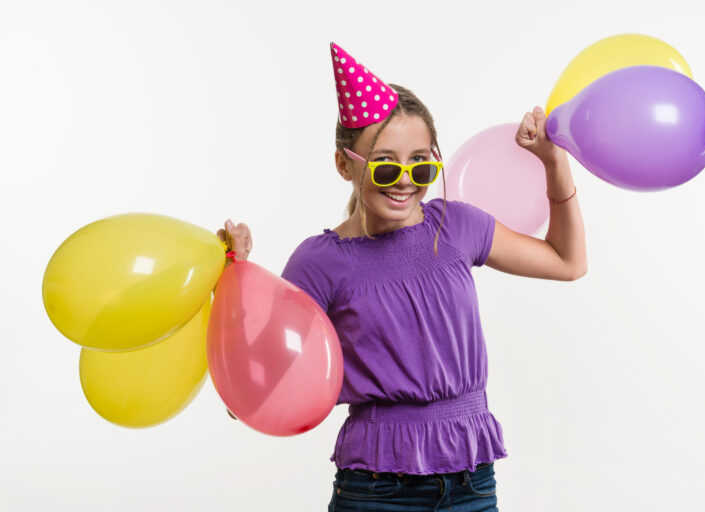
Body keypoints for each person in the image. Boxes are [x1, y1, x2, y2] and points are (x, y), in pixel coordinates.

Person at [218, 42, 586, 512]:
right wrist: (239, 281)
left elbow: (567, 261)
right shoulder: (320, 262)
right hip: (377, 488)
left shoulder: (457, 226)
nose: (405, 180)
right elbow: (250, 397)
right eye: (387, 164)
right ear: (344, 164)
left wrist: (554, 162)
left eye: (422, 164)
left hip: (471, 480)